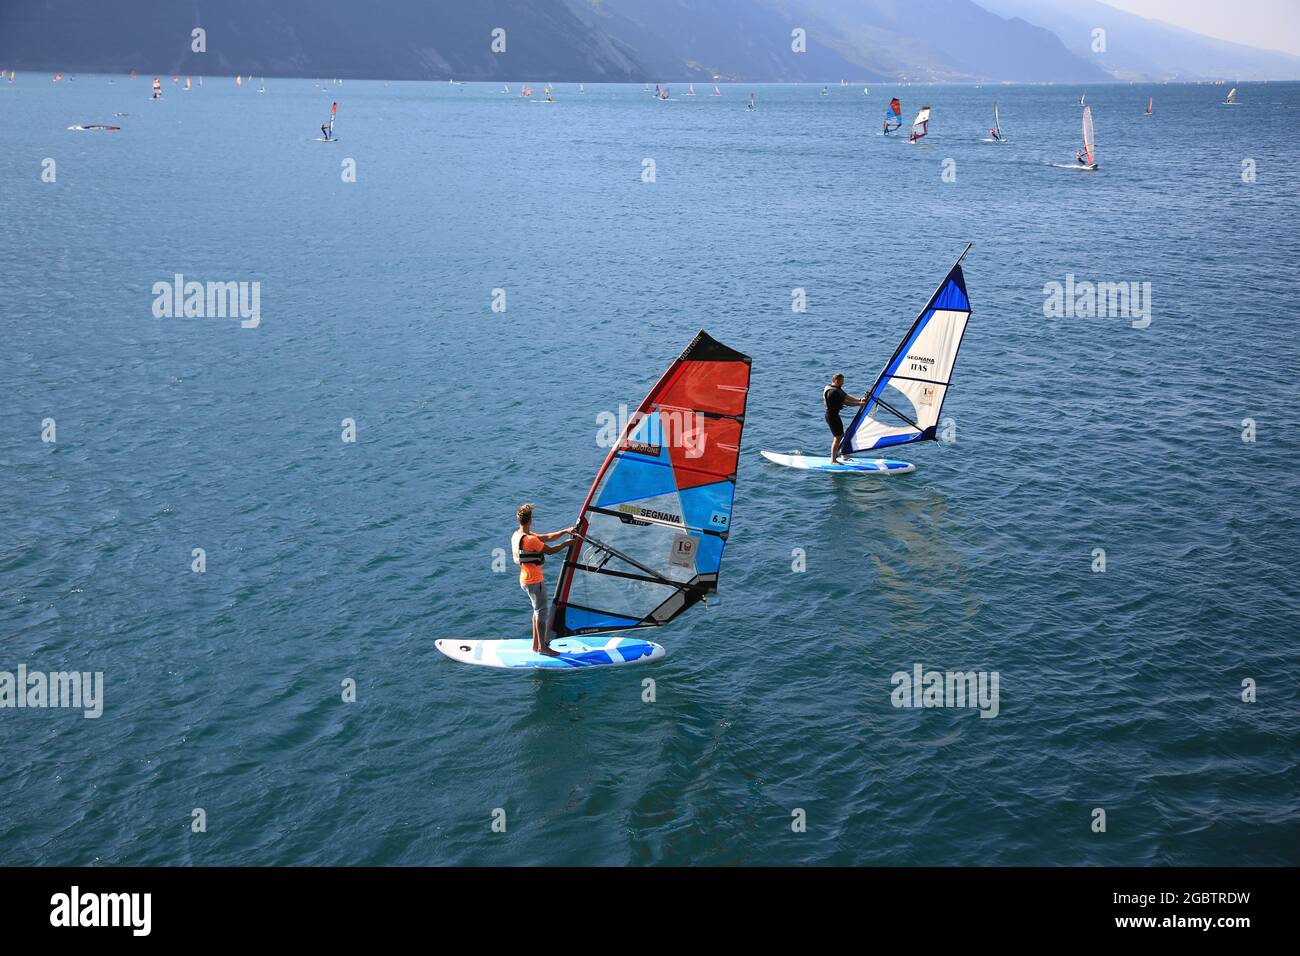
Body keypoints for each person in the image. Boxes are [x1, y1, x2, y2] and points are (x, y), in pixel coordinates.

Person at [512, 503, 578, 655]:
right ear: (530, 520)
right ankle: (543, 647)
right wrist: (566, 544)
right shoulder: (530, 540)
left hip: (524, 580)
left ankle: (536, 645)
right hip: (534, 581)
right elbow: (550, 551)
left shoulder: (518, 535)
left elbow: (546, 537)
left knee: (537, 611)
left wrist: (564, 531)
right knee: (541, 612)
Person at [824, 373, 869, 463]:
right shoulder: (833, 392)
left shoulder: (835, 388)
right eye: (841, 381)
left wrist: (860, 399)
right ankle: (833, 460)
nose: (843, 383)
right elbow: (846, 402)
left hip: (835, 415)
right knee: (838, 437)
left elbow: (846, 396)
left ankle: (843, 455)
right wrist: (859, 404)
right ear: (836, 380)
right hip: (831, 416)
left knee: (841, 435)